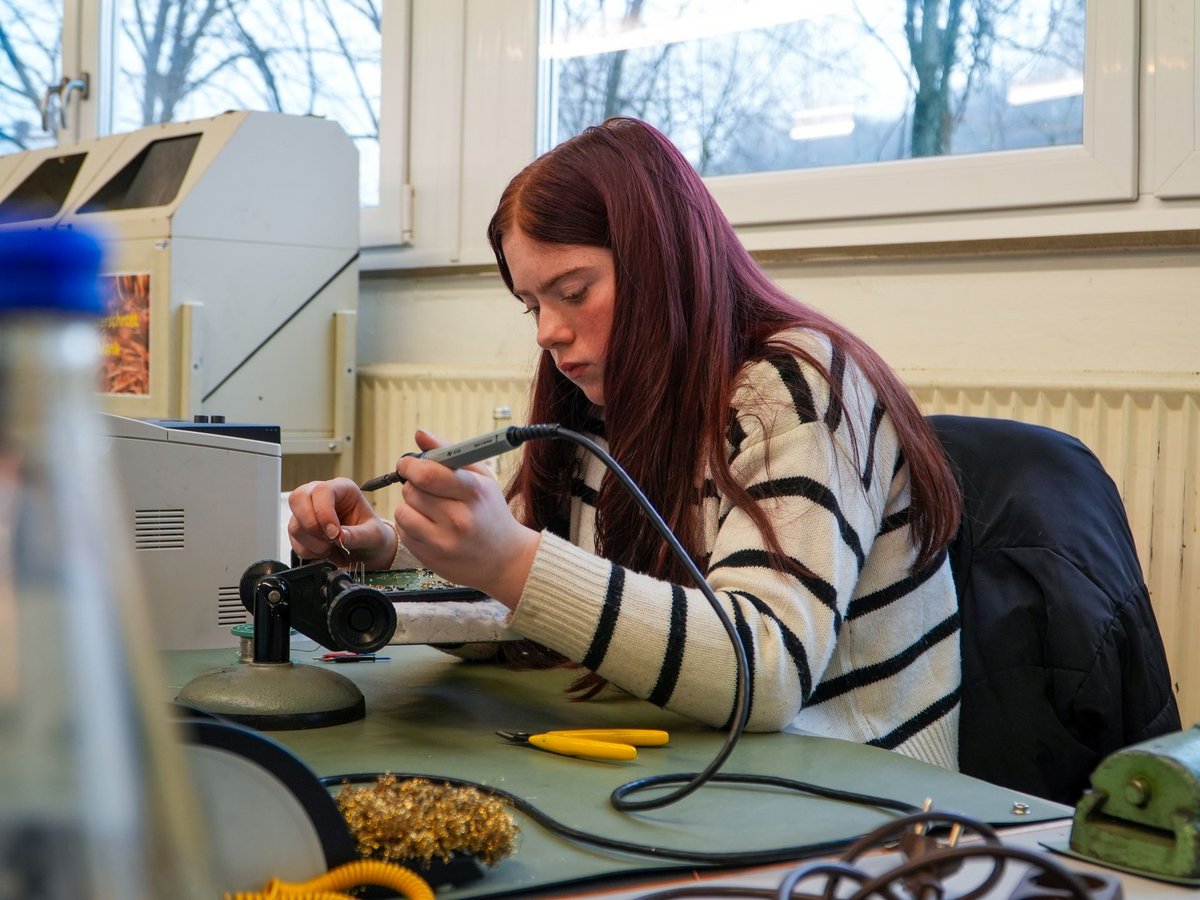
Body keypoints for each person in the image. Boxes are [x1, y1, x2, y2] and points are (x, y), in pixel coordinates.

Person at [288, 117, 964, 769]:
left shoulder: (796, 386)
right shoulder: (605, 400)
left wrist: (510, 560)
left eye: (573, 291)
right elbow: (546, 618)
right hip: (696, 761)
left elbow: (767, 669)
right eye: (532, 304)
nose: (547, 331)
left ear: (659, 265)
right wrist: (397, 554)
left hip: (859, 803)